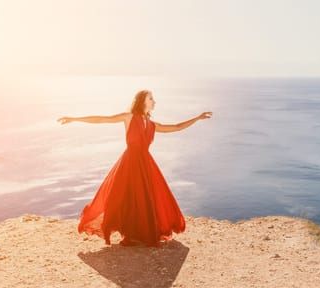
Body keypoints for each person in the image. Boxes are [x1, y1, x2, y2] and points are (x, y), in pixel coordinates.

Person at [57, 90, 211, 247]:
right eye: (151, 99)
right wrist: (75, 119)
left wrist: (197, 118)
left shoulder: (152, 125)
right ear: (142, 101)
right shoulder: (129, 117)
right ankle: (130, 234)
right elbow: (103, 119)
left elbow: (177, 127)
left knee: (144, 199)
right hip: (129, 163)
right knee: (126, 197)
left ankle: (140, 233)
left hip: (145, 164)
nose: (154, 102)